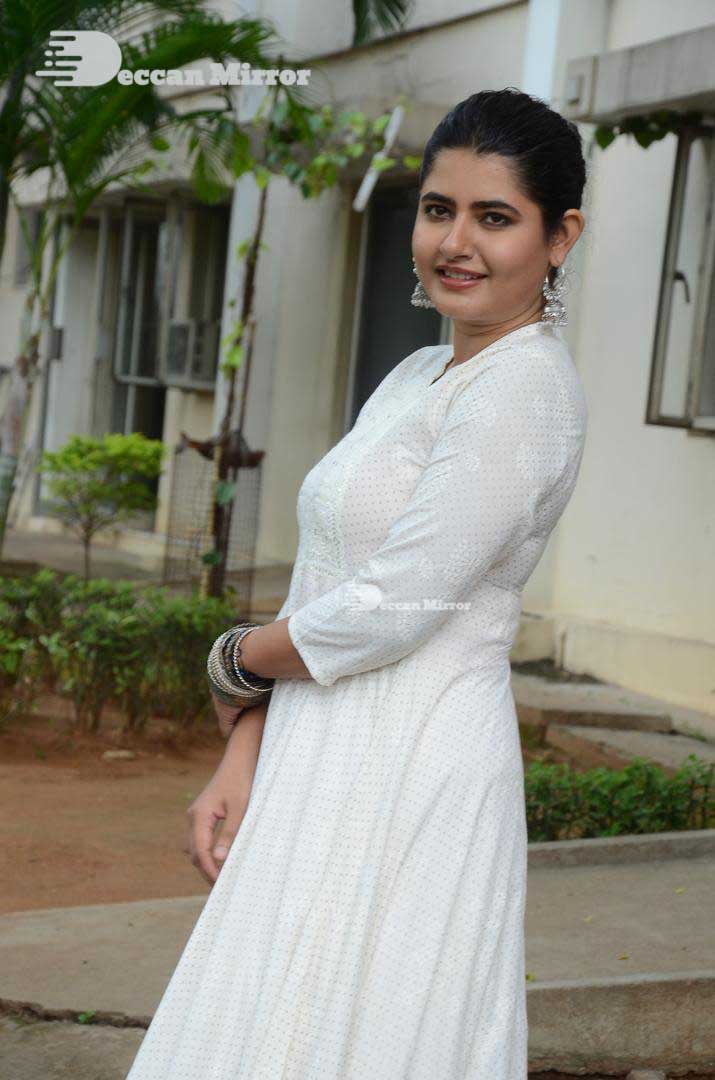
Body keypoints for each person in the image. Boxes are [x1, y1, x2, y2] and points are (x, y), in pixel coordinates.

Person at [126, 86, 588, 1079]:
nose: (454, 243)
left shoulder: (526, 389)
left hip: (412, 760)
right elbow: (328, 578)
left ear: (560, 237)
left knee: (369, 1032)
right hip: (317, 748)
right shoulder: (415, 377)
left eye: (494, 218)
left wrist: (234, 657)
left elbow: (395, 604)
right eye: (437, 210)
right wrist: (245, 744)